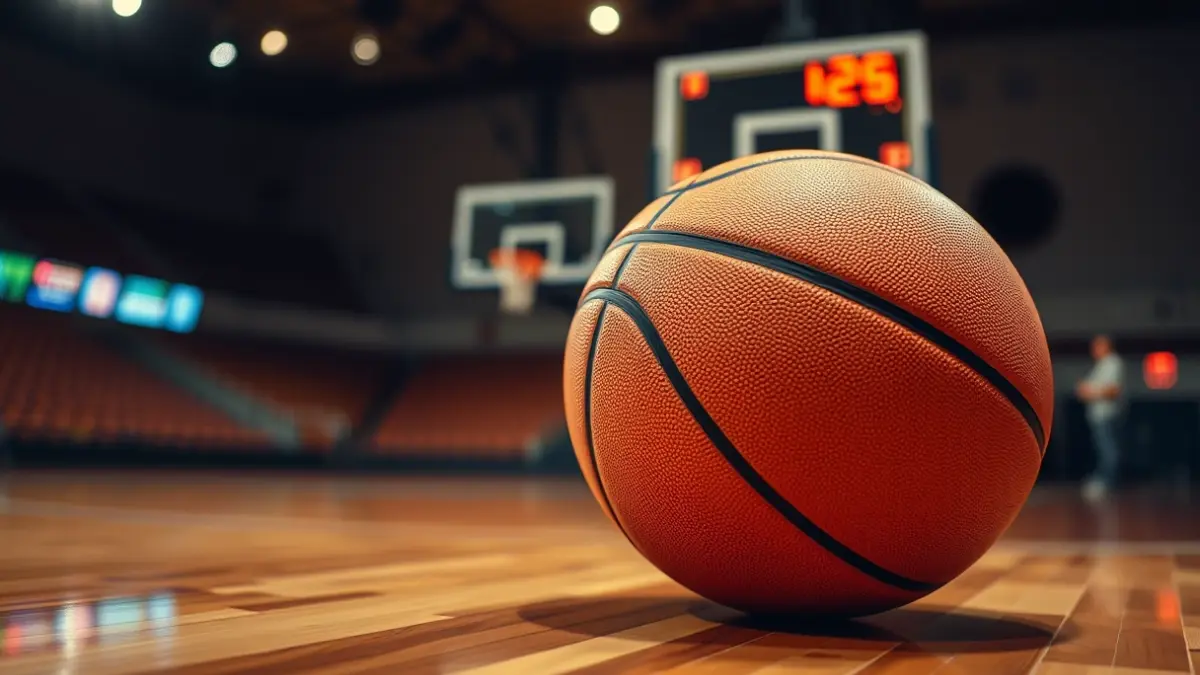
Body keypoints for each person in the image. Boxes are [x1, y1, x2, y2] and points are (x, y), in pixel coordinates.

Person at [1075, 335, 1125, 501]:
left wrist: (1089, 392)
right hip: (1098, 417)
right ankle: (1103, 480)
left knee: (1108, 450)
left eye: (1097, 346)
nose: (1094, 350)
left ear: (1106, 346)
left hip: (1106, 416)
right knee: (1103, 449)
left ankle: (1107, 482)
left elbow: (1112, 391)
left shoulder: (1113, 363)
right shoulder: (1101, 365)